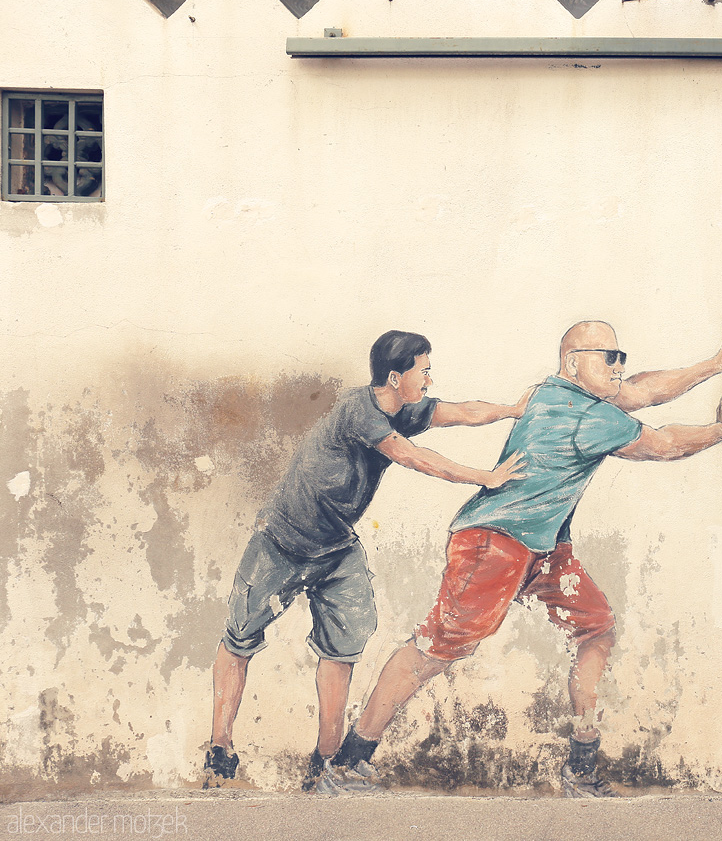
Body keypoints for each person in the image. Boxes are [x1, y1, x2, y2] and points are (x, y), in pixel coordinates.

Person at [328, 311, 722, 797]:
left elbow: (644, 390)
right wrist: (721, 430)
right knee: (435, 649)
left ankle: (581, 768)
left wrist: (715, 364)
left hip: (543, 548)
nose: (619, 366)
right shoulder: (589, 417)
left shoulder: (555, 390)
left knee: (596, 627)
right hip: (495, 544)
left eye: (620, 357)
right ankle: (350, 762)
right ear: (572, 363)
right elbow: (664, 443)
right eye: (609, 357)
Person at [204, 330, 529, 793]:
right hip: (281, 540)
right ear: (396, 377)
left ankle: (326, 763)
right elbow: (412, 457)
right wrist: (485, 477)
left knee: (344, 647)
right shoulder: (361, 410)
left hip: (336, 547)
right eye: (425, 370)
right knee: (240, 637)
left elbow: (459, 412)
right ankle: (219, 750)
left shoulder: (404, 407)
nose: (431, 378)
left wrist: (512, 411)